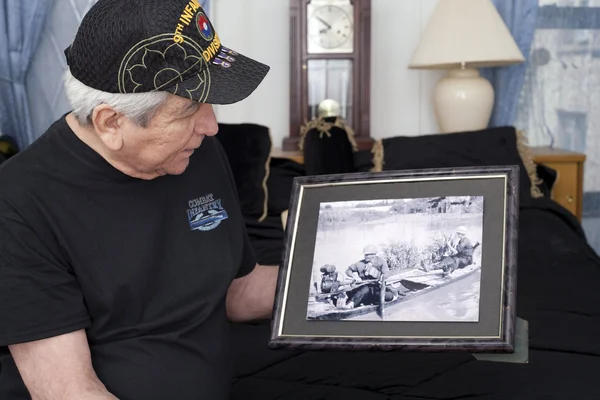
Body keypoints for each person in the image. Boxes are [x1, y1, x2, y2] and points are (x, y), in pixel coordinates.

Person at [0, 1, 276, 399]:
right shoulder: (19, 204)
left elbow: (235, 291)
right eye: (189, 108)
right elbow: (68, 390)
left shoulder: (195, 151)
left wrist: (321, 279)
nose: (211, 125)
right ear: (111, 123)